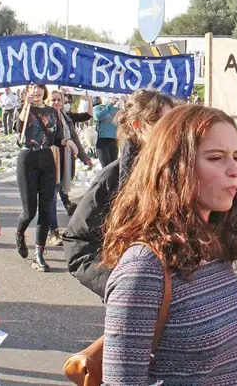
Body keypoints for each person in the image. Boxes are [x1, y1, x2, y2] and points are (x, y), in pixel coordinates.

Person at [100, 104, 237, 384]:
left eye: (236, 156)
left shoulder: (210, 245)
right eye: (215, 158)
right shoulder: (143, 269)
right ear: (174, 166)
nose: (235, 170)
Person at [62, 88, 175, 298]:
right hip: (138, 308)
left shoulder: (185, 172)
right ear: (138, 126)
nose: (170, 131)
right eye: (161, 123)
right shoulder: (112, 179)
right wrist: (121, 287)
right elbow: (78, 244)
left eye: (172, 123)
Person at [14, 83, 69, 270]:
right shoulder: (23, 109)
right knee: (30, 211)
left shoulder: (52, 112)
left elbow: (56, 139)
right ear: (28, 92)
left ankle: (39, 253)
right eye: (32, 89)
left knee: (46, 208)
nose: (36, 91)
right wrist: (26, 106)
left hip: (46, 158)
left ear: (44, 91)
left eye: (39, 88)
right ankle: (20, 234)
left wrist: (68, 142)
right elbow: (18, 129)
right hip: (27, 158)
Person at [48, 90, 93, 216]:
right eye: (53, 99)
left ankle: (66, 204)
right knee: (53, 188)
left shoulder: (66, 116)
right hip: (51, 156)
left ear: (63, 101)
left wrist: (84, 158)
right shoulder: (46, 116)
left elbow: (87, 116)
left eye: (59, 99)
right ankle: (52, 226)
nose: (56, 102)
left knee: (63, 182)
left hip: (66, 156)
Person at [92, 96, 120, 167]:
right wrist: (110, 104)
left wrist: (126, 102)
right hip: (102, 141)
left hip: (114, 140)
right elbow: (98, 116)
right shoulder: (98, 108)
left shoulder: (116, 109)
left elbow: (125, 117)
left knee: (114, 167)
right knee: (106, 167)